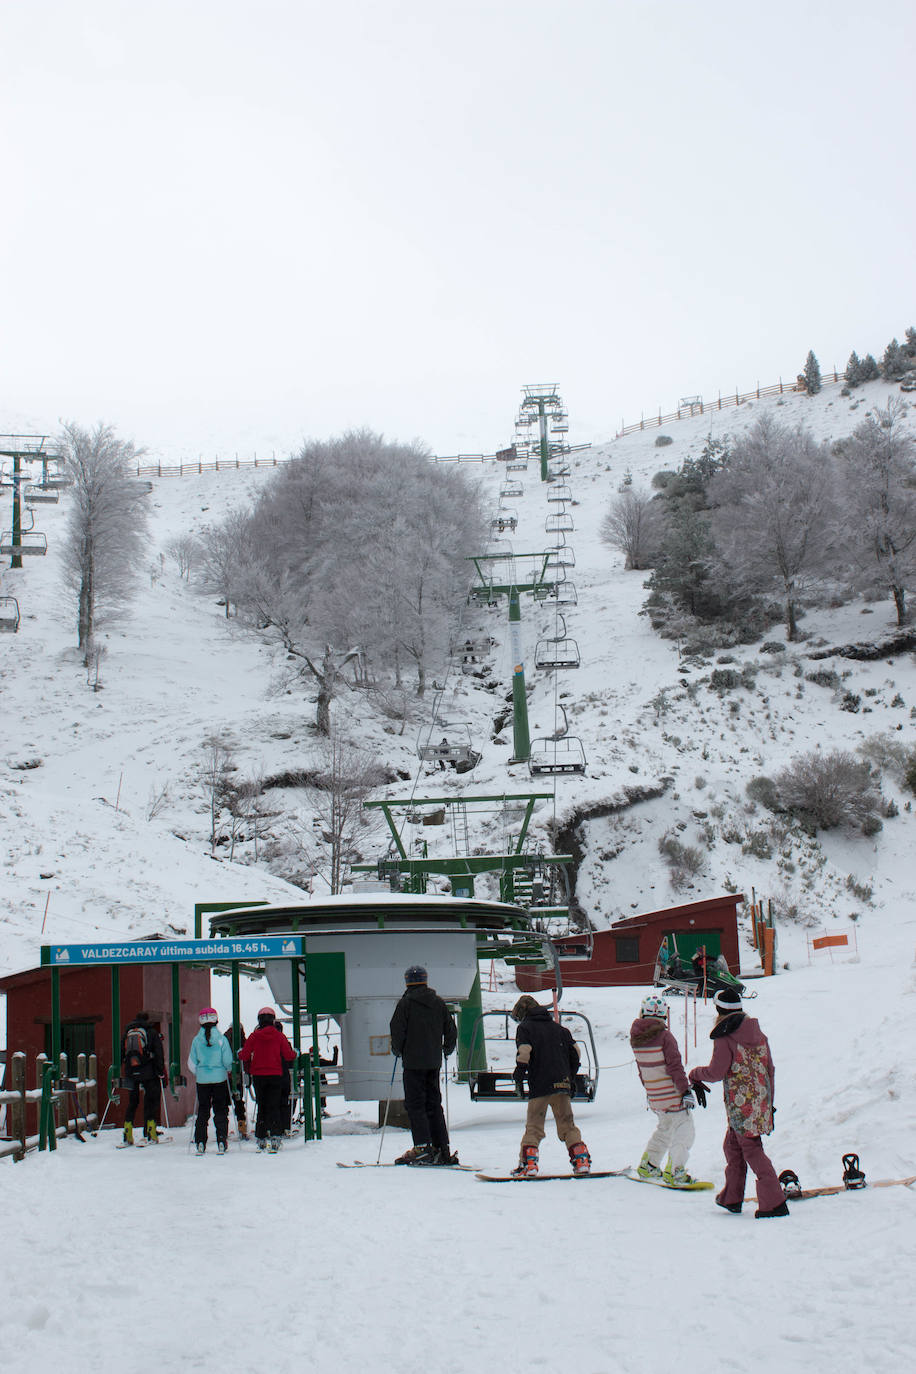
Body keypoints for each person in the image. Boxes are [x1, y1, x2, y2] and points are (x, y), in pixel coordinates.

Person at [689, 987, 789, 1218]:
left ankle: (774, 1203)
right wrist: (769, 1102)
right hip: (759, 1103)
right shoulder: (758, 1034)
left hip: (741, 1106)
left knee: (752, 1150)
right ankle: (731, 1198)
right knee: (732, 1147)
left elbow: (716, 1072)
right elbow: (770, 1069)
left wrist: (694, 1074)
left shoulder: (726, 1037)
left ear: (719, 1010)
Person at [510, 994, 590, 1177]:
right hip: (562, 1082)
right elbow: (575, 1053)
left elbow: (524, 1053)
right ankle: (581, 1160)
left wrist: (519, 1077)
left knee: (534, 1127)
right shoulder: (560, 1029)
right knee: (568, 1125)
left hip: (540, 1084)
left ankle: (528, 1164)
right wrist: (570, 1076)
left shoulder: (525, 1028)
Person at [389, 965, 458, 1165]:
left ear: (407, 981)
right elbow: (450, 1028)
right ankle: (441, 1146)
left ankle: (422, 1146)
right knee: (434, 1103)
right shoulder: (438, 1002)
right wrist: (447, 1047)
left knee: (415, 1104)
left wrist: (398, 1049)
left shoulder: (406, 1004)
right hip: (433, 1061)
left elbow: (397, 1029)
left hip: (413, 1063)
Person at [630, 993, 698, 1186]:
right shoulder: (665, 1037)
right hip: (672, 1094)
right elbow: (675, 1067)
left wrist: (650, 1090)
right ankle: (675, 1171)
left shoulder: (636, 1037)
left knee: (665, 1128)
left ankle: (649, 1165)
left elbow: (642, 1070)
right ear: (664, 1015)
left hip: (654, 1094)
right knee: (685, 1130)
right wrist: (685, 1091)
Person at [238, 1006, 296, 1153]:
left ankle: (261, 1137)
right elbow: (289, 1055)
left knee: (262, 1106)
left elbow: (244, 1055)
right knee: (274, 1106)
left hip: (258, 1076)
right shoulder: (279, 1036)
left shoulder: (254, 1036)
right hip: (276, 1075)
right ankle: (276, 1136)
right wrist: (296, 1053)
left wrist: (240, 1053)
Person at [187, 1007, 234, 1154]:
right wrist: (226, 1069)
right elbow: (228, 1061)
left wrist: (200, 1073)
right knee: (220, 1110)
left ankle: (200, 1142)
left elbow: (191, 1063)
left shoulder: (196, 1040)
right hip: (219, 1079)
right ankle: (221, 1140)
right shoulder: (221, 1039)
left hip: (202, 1081)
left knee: (203, 1110)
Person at [121, 1010, 166, 1144]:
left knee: (132, 1102)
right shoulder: (151, 1032)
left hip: (131, 1071)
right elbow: (158, 1052)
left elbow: (121, 1052)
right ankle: (150, 1131)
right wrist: (160, 1070)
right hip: (148, 1071)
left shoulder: (127, 1033)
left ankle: (127, 1132)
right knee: (151, 1101)